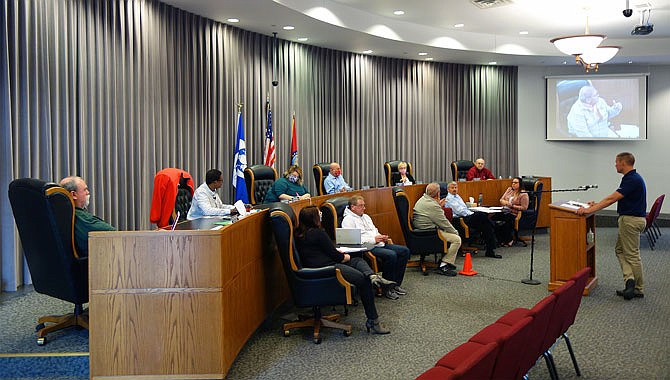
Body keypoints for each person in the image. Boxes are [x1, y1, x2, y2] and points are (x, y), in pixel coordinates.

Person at [295, 206, 394, 334]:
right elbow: (337, 257)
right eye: (318, 213)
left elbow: (319, 251)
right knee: (363, 281)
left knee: (358, 261)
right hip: (329, 270)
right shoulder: (318, 233)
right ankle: (373, 321)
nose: (321, 214)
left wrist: (341, 255)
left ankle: (373, 276)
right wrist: (345, 256)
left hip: (318, 267)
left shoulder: (299, 233)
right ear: (313, 218)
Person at [576, 152, 646, 300]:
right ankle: (630, 281)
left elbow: (612, 198)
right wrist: (596, 204)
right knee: (620, 250)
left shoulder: (632, 179)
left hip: (631, 221)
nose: (615, 164)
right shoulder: (631, 178)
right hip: (630, 219)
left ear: (623, 163)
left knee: (632, 255)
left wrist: (589, 210)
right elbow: (614, 197)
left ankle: (638, 289)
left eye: (616, 162)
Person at [342, 195, 410, 299]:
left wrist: (381, 237)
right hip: (367, 247)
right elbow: (353, 241)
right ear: (353, 207)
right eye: (361, 206)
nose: (364, 208)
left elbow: (374, 230)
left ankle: (395, 284)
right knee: (391, 255)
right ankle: (386, 288)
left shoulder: (366, 216)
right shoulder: (348, 220)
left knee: (404, 251)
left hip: (378, 243)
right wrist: (374, 240)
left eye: (364, 205)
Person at [412, 183, 462, 276]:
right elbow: (444, 223)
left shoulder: (423, 199)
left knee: (449, 234)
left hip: (420, 230)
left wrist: (438, 206)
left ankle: (446, 262)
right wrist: (456, 232)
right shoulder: (433, 206)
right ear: (438, 194)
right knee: (456, 239)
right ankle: (443, 265)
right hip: (429, 233)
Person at [59, 176, 116, 257]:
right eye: (85, 190)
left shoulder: (60, 215)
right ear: (74, 194)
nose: (88, 192)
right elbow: (114, 233)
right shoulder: (83, 219)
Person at [443, 181, 501, 259]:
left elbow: (464, 208)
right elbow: (460, 211)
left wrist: (470, 212)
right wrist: (471, 213)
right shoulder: (449, 199)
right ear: (448, 190)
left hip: (467, 216)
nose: (454, 189)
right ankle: (493, 226)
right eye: (452, 188)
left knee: (486, 226)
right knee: (482, 216)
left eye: (455, 187)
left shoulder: (457, 196)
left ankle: (490, 250)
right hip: (460, 220)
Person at [492, 177, 529, 247]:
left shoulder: (523, 194)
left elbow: (524, 207)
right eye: (512, 182)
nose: (513, 184)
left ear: (520, 184)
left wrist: (512, 206)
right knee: (493, 219)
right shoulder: (509, 190)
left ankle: (509, 239)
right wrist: (505, 203)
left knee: (507, 221)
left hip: (514, 213)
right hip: (504, 210)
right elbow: (501, 200)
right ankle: (499, 240)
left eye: (515, 183)